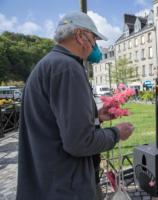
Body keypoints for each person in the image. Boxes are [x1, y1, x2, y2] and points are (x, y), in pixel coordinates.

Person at [17, 11, 134, 200]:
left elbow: (55, 122)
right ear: (80, 36)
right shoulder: (68, 68)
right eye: (94, 38)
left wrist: (95, 116)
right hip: (67, 187)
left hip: (48, 183)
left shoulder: (49, 64)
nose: (95, 45)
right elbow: (80, 142)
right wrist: (116, 133)